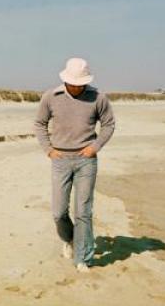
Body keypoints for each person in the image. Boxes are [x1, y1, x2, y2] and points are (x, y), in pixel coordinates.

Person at [33, 57, 115, 272]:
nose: (77, 87)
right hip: (60, 160)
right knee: (58, 212)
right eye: (73, 83)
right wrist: (48, 149)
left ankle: (83, 258)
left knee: (83, 212)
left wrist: (95, 147)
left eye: (81, 84)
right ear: (65, 80)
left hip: (86, 160)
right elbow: (40, 123)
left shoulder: (98, 98)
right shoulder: (51, 97)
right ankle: (69, 239)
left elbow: (108, 124)